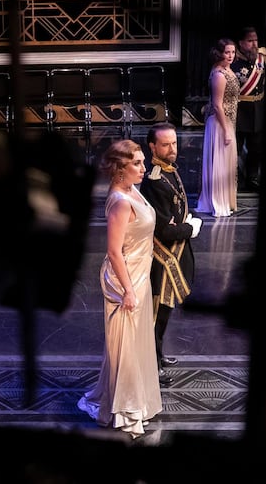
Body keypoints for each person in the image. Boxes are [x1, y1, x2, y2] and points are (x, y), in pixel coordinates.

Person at [77, 139, 163, 439]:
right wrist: (128, 290)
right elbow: (114, 252)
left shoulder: (132, 189)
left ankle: (134, 401)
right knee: (124, 349)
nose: (144, 166)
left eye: (142, 161)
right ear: (119, 169)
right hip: (124, 280)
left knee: (135, 345)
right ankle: (125, 410)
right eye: (137, 163)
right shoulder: (120, 200)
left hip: (140, 274)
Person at [140, 122, 202, 386]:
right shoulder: (154, 181)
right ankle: (151, 364)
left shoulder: (170, 171)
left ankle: (158, 355)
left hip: (174, 253)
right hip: (161, 259)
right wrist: (190, 228)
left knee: (164, 313)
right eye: (165, 144)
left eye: (174, 143)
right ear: (152, 147)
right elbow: (165, 230)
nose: (172, 149)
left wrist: (180, 224)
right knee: (155, 315)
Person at [195, 38, 240, 217]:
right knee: (220, 163)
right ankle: (217, 201)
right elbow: (217, 105)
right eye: (227, 52)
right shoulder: (219, 74)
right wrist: (226, 130)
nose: (230, 55)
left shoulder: (228, 70)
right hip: (220, 122)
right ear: (220, 53)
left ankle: (226, 200)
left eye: (233, 52)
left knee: (227, 164)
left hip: (229, 121)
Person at [231, 26, 266, 192]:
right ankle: (235, 178)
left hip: (258, 110)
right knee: (235, 148)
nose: (254, 44)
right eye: (250, 41)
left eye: (255, 40)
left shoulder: (262, 58)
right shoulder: (233, 61)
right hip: (239, 110)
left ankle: (253, 177)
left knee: (256, 147)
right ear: (241, 43)